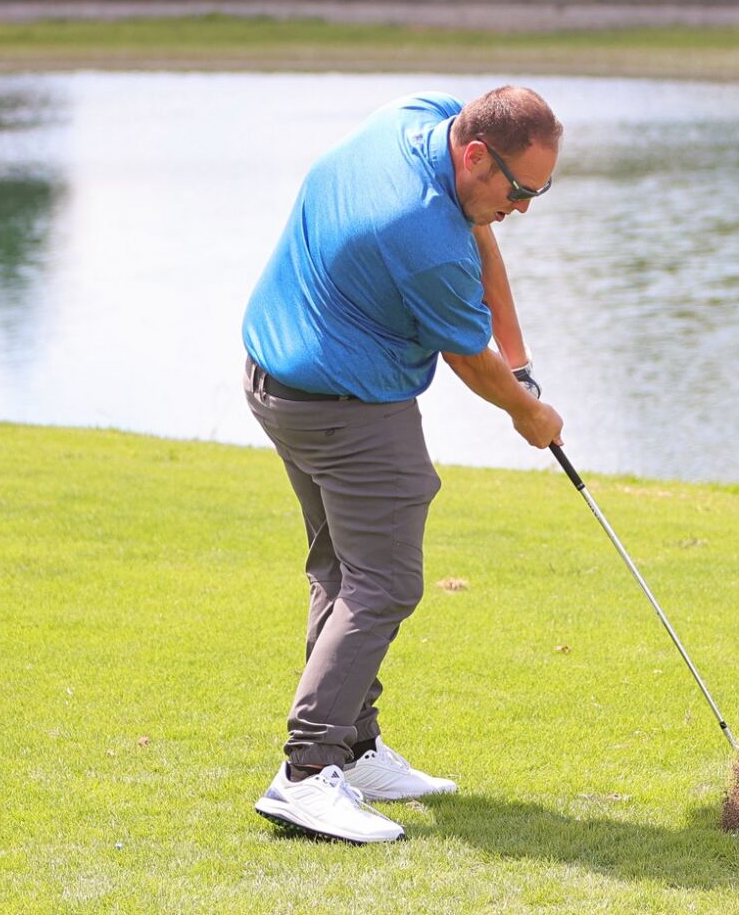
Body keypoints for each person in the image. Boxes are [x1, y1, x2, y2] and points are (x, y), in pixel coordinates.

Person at [241, 85, 565, 843]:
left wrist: (521, 364)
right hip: (342, 403)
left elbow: (480, 231)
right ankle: (304, 772)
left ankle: (352, 750)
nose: (523, 208)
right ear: (477, 154)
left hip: (277, 374)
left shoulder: (422, 117)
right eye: (519, 190)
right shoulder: (422, 237)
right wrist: (529, 410)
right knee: (384, 580)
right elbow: (468, 358)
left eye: (540, 191)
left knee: (343, 569)